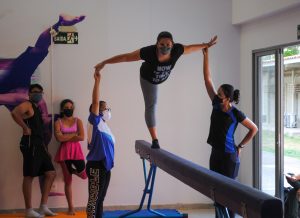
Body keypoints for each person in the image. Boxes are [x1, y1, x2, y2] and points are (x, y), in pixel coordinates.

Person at [95, 32, 217, 149]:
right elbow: (126, 57)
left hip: (160, 78)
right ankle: (155, 139)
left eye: (168, 45)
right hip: (148, 80)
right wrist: (104, 62)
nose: (165, 47)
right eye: (161, 45)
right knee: (151, 106)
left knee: (153, 105)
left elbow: (190, 48)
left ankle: (155, 138)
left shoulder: (177, 50)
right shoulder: (148, 52)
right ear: (156, 44)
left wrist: (206, 45)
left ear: (172, 45)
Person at [202, 44, 258, 218]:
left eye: (220, 94)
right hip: (215, 153)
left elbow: (254, 129)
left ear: (227, 97)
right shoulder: (216, 105)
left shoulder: (236, 113)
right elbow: (207, 79)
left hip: (229, 156)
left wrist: (240, 146)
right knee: (216, 192)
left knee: (229, 194)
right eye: (217, 93)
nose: (217, 95)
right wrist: (206, 55)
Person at [0, 14, 85, 111]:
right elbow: (18, 98)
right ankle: (60, 23)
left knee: (38, 50)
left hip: (14, 84)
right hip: (16, 88)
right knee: (38, 50)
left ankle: (60, 23)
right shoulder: (23, 95)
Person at [11, 84, 57, 218]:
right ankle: (29, 210)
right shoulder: (28, 104)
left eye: (40, 92)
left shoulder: (36, 108)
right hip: (30, 144)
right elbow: (14, 113)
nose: (38, 94)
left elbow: (39, 130)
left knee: (51, 173)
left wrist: (44, 148)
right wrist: (25, 127)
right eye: (35, 92)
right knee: (29, 176)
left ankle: (43, 207)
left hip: (39, 145)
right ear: (29, 94)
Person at [86, 70, 115, 218]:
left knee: (100, 199)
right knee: (94, 199)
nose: (108, 110)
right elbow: (95, 102)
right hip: (96, 166)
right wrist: (97, 81)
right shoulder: (94, 122)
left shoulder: (105, 126)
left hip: (105, 167)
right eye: (105, 108)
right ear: (96, 111)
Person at [54, 99, 87, 215]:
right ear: (62, 109)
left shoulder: (78, 121)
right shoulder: (58, 122)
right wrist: (74, 134)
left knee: (84, 175)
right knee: (68, 181)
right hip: (64, 153)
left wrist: (65, 135)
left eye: (71, 107)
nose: (69, 109)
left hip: (76, 151)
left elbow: (82, 137)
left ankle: (71, 171)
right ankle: (71, 207)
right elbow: (59, 139)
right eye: (66, 107)